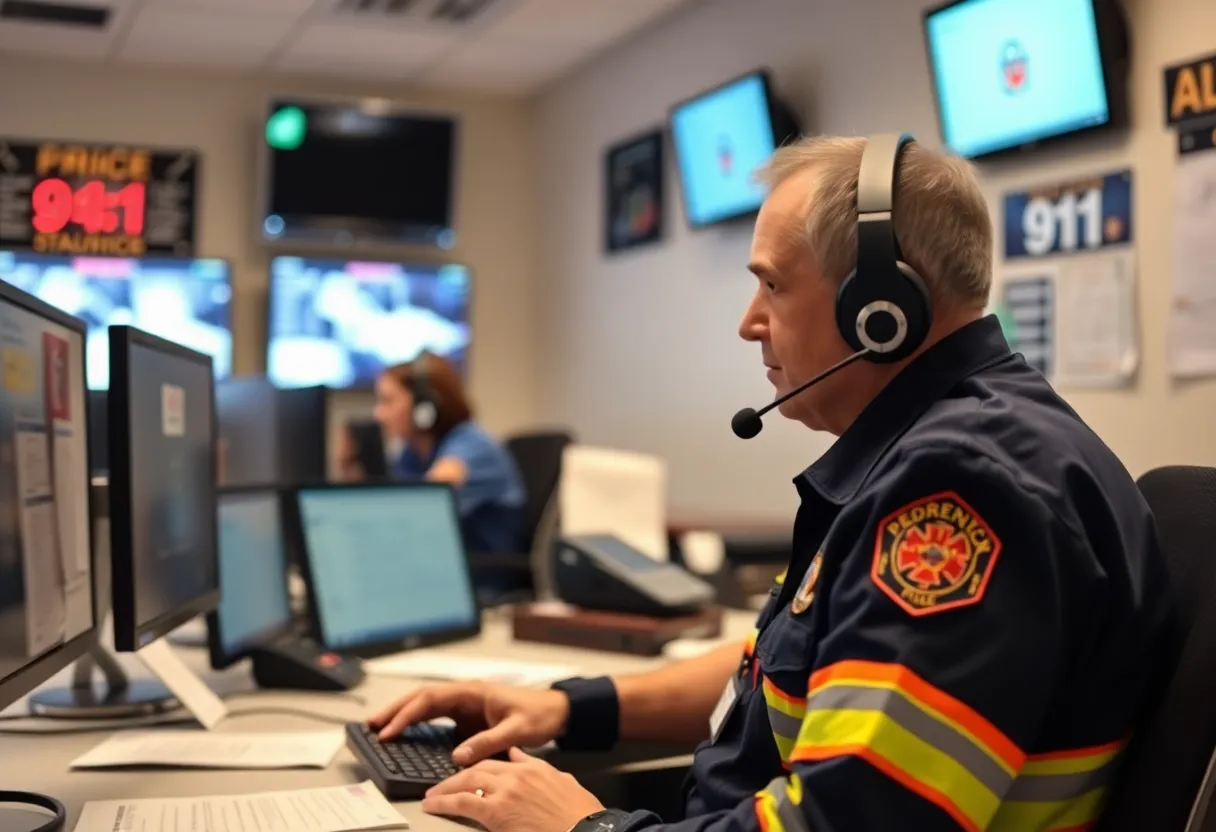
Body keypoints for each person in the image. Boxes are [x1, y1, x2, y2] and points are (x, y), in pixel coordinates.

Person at [366, 134, 1176, 832]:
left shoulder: (961, 490)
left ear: (880, 309)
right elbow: (786, 669)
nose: (750, 320)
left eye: (773, 284)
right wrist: (570, 706)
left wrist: (589, 824)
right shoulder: (936, 449)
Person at [340, 351, 525, 555]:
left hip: (482, 577)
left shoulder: (472, 446)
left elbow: (423, 508)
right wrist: (352, 469)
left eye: (388, 401)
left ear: (424, 407)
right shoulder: (411, 454)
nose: (378, 414)